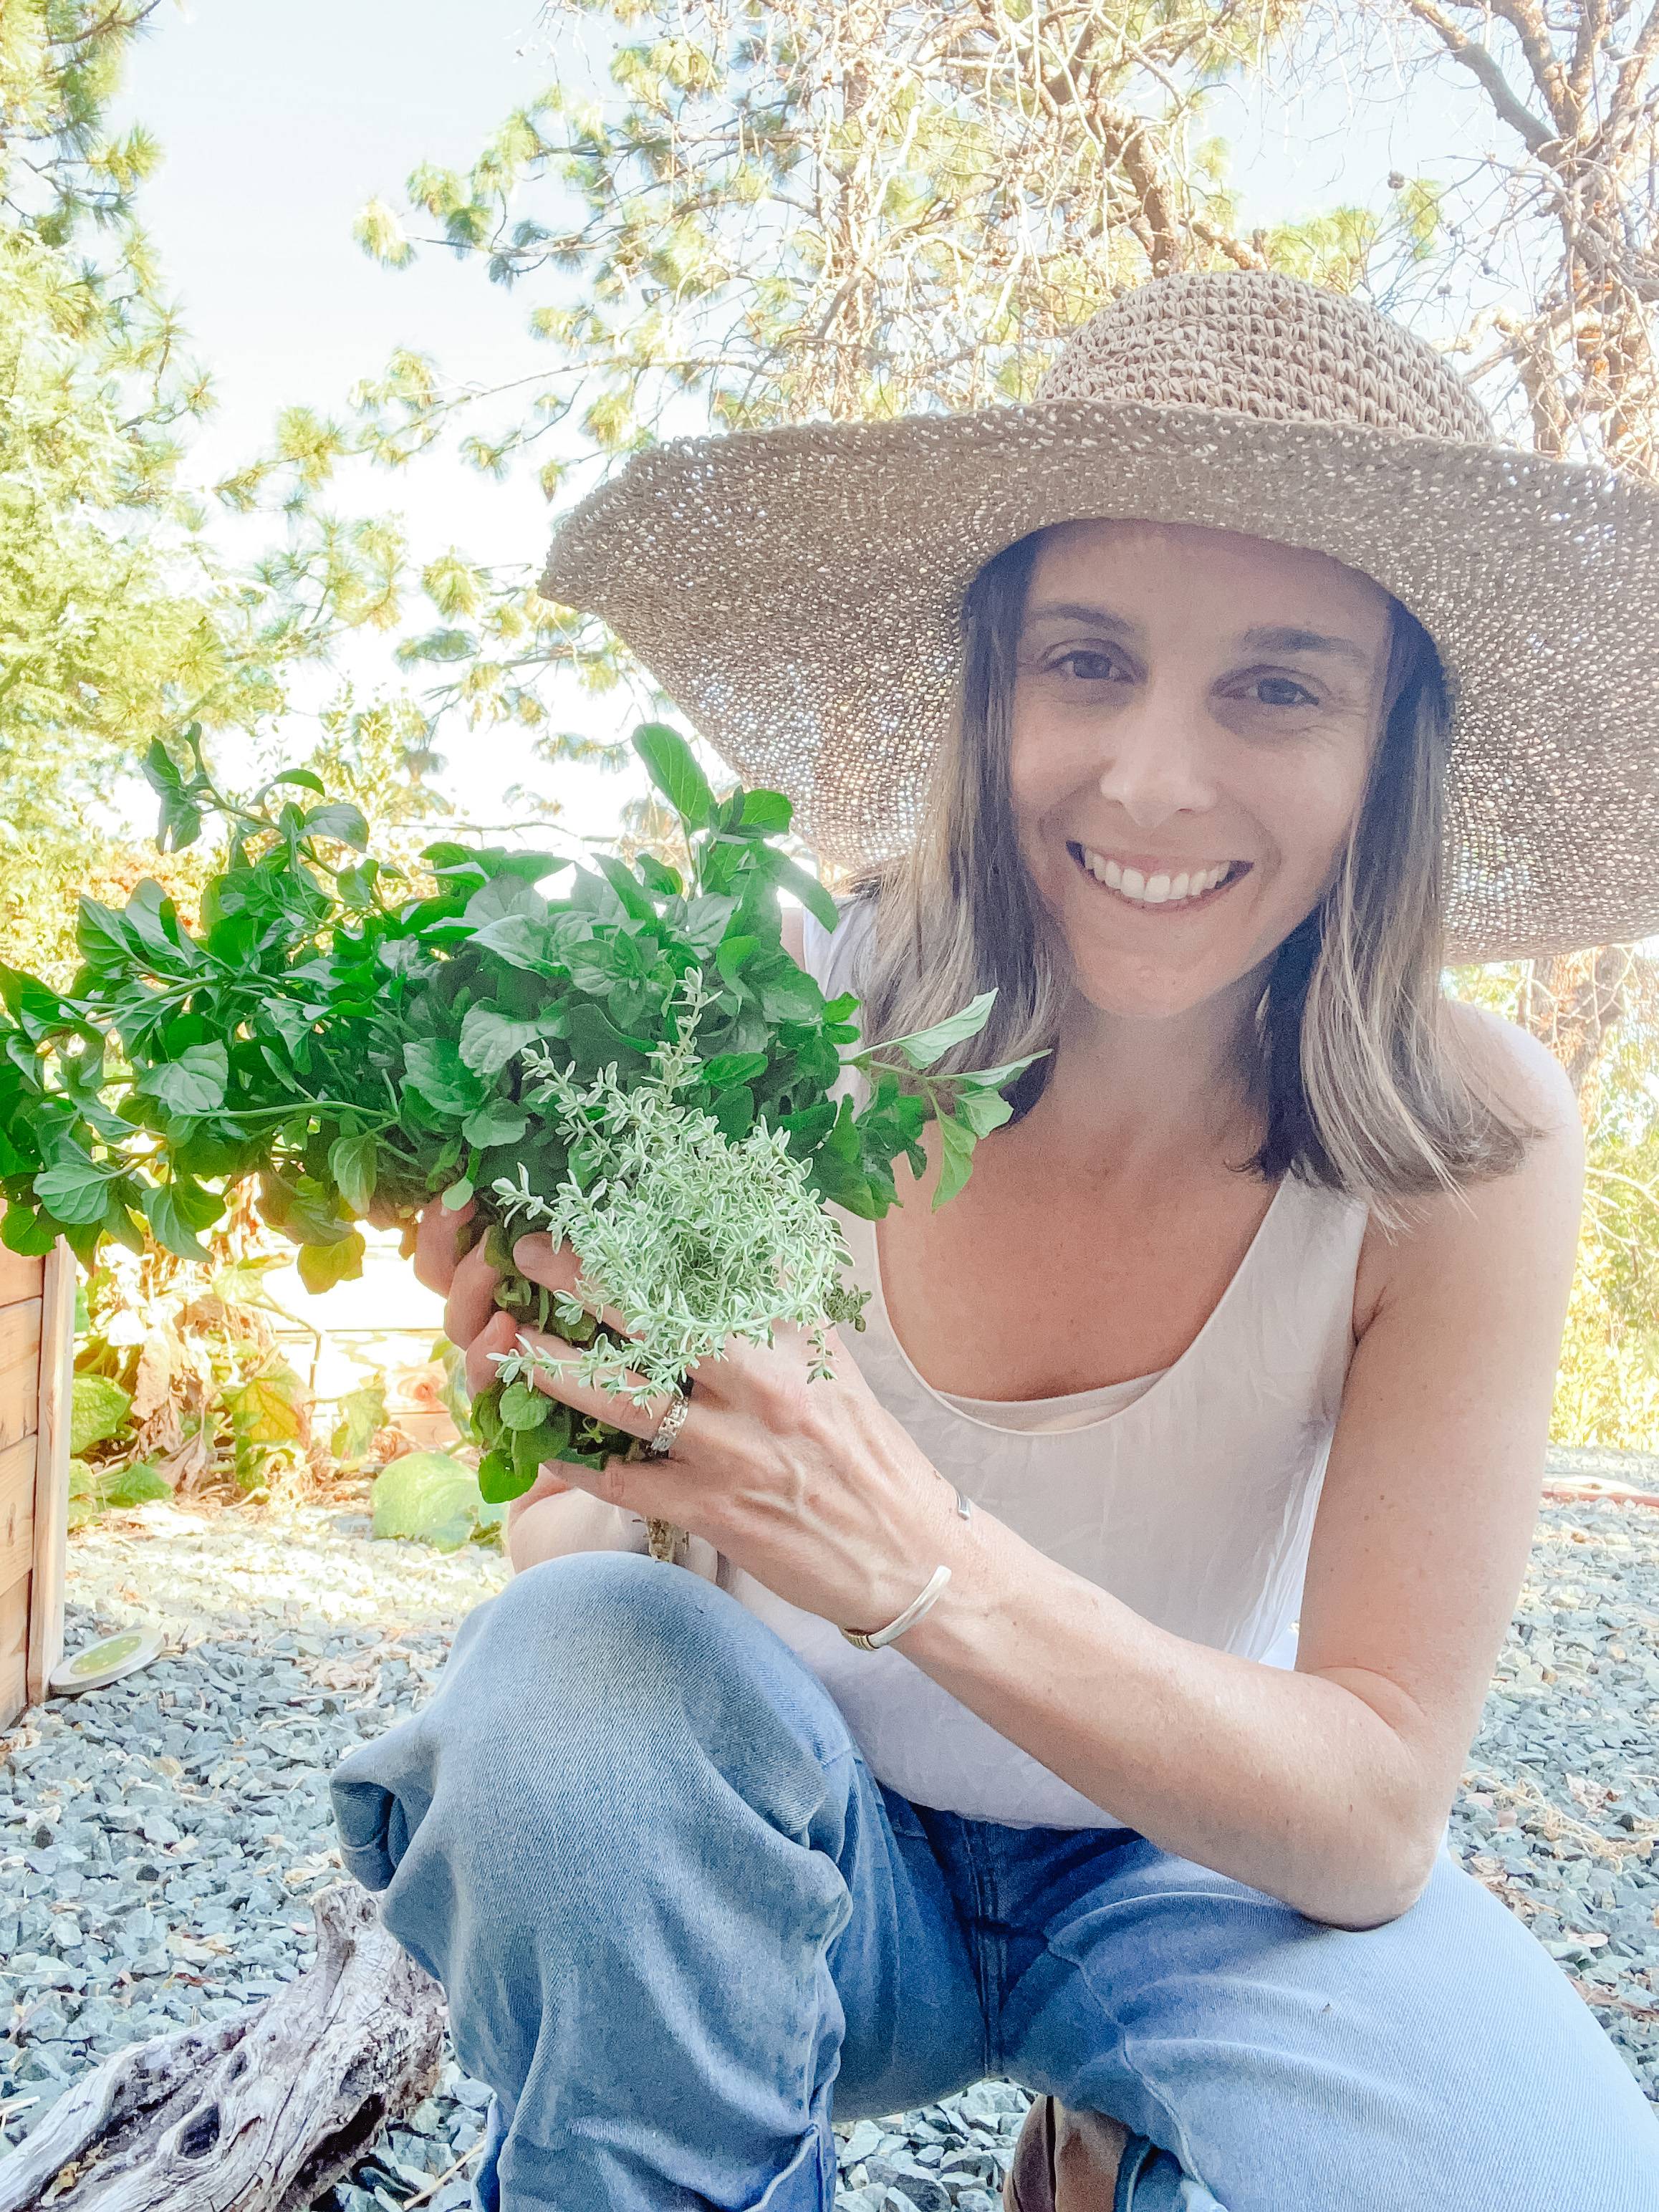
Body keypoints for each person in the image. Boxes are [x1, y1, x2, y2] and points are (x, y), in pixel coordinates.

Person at [331, 271, 1659, 2211]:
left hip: (1198, 1864)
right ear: (987, 682)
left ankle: (1108, 2143)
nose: (1150, 779)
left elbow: (1370, 1818)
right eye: (1086, 663)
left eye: (1277, 686)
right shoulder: (756, 995)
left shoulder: (1462, 1136)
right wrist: (577, 1435)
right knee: (562, 1664)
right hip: (779, 1848)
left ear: (1393, 747)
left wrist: (912, 1561)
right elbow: (581, 1570)